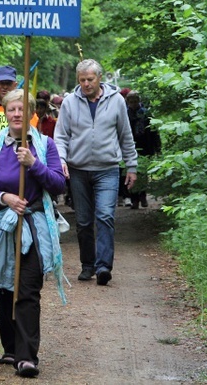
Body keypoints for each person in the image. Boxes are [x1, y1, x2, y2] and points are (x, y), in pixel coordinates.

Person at [0, 89, 66, 378]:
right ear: (5, 114)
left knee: (29, 289)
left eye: (22, 109)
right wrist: (4, 198)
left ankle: (26, 356)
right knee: (4, 287)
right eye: (12, 110)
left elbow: (58, 184)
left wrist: (34, 165)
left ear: (31, 112)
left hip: (33, 224)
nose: (17, 114)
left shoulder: (44, 145)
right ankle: (10, 346)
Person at [54, 59, 138, 286]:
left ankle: (103, 267)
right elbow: (60, 136)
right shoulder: (70, 102)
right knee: (82, 221)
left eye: (90, 79)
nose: (86, 84)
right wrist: (60, 159)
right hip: (78, 169)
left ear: (99, 78)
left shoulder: (117, 101)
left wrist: (131, 166)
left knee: (105, 216)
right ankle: (87, 265)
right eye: (82, 80)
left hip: (108, 169)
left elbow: (125, 136)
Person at [125, 90, 161, 209]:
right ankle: (134, 198)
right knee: (131, 172)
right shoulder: (125, 114)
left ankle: (143, 195)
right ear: (128, 102)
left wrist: (157, 148)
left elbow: (154, 131)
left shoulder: (146, 113)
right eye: (131, 102)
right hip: (131, 147)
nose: (133, 104)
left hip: (146, 146)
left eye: (135, 101)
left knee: (143, 173)